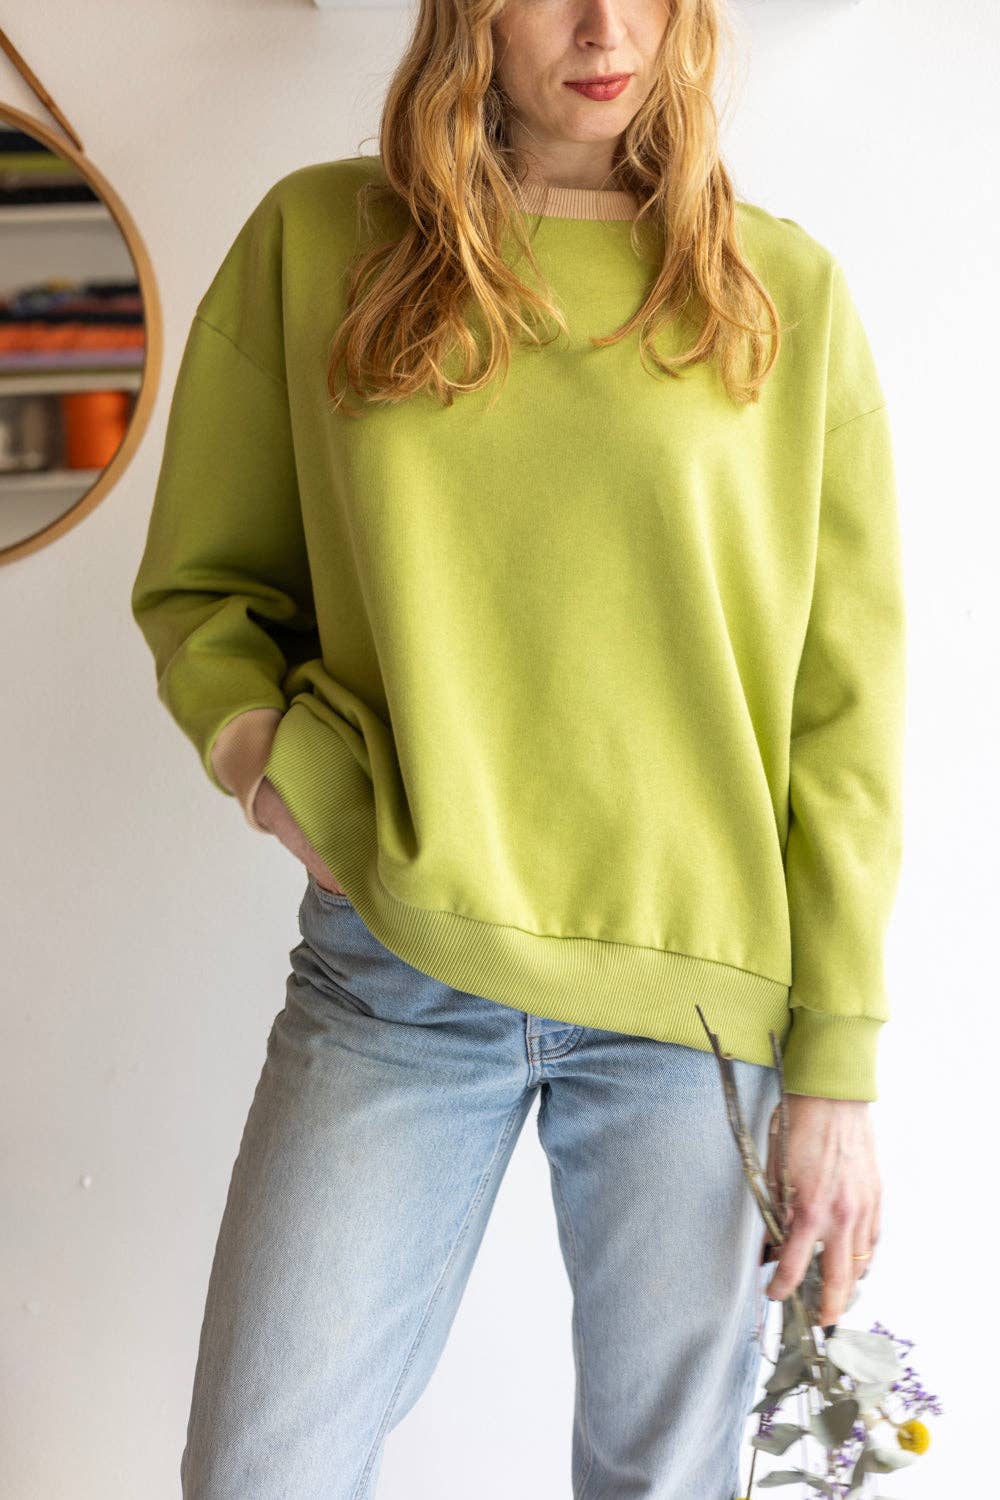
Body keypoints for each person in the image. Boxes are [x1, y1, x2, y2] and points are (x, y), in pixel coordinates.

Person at [130, 0, 905, 1493]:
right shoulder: (319, 242)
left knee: (661, 1480)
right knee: (261, 1467)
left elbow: (846, 718)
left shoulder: (783, 293)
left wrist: (840, 1073)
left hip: (693, 1006)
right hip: (396, 971)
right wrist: (265, 761)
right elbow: (207, 584)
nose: (605, 28)